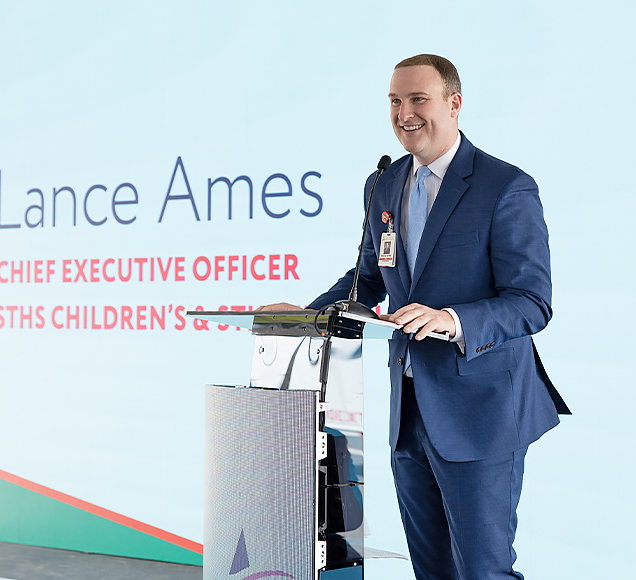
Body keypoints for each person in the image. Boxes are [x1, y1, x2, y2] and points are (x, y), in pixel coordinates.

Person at [259, 54, 567, 580]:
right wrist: (307, 316)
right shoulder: (384, 182)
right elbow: (366, 280)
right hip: (409, 413)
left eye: (418, 99)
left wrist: (451, 319)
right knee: (432, 572)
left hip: (482, 414)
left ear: (454, 103)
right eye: (395, 101)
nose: (405, 113)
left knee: (483, 572)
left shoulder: (505, 186)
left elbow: (531, 302)